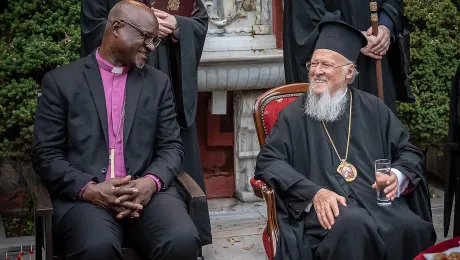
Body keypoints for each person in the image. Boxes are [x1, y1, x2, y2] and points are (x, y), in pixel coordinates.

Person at [254, 19, 436, 260]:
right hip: (325, 212)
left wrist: (398, 176)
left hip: (376, 202)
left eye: (327, 64)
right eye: (314, 63)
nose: (317, 71)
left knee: (412, 227)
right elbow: (269, 162)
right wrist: (314, 193)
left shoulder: (374, 109)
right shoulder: (293, 115)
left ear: (349, 72)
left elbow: (408, 151)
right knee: (355, 225)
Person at [32, 2, 201, 259]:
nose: (152, 47)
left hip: (146, 196)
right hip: (85, 199)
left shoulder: (158, 84)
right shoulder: (62, 82)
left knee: (182, 239)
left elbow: (171, 147)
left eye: (155, 40)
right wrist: (88, 189)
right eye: (146, 37)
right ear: (118, 28)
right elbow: (46, 155)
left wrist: (150, 183)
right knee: (95, 247)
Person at [80, 0, 212, 247]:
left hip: (167, 83)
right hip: (118, 84)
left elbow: (199, 20)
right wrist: (141, 26)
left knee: (169, 151)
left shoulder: (160, 84)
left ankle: (177, 224)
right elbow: (94, 29)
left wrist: (177, 25)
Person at [283, 0, 414, 113]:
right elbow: (307, 12)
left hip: (375, 60)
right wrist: (352, 38)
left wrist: (385, 27)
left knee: (378, 125)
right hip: (332, 57)